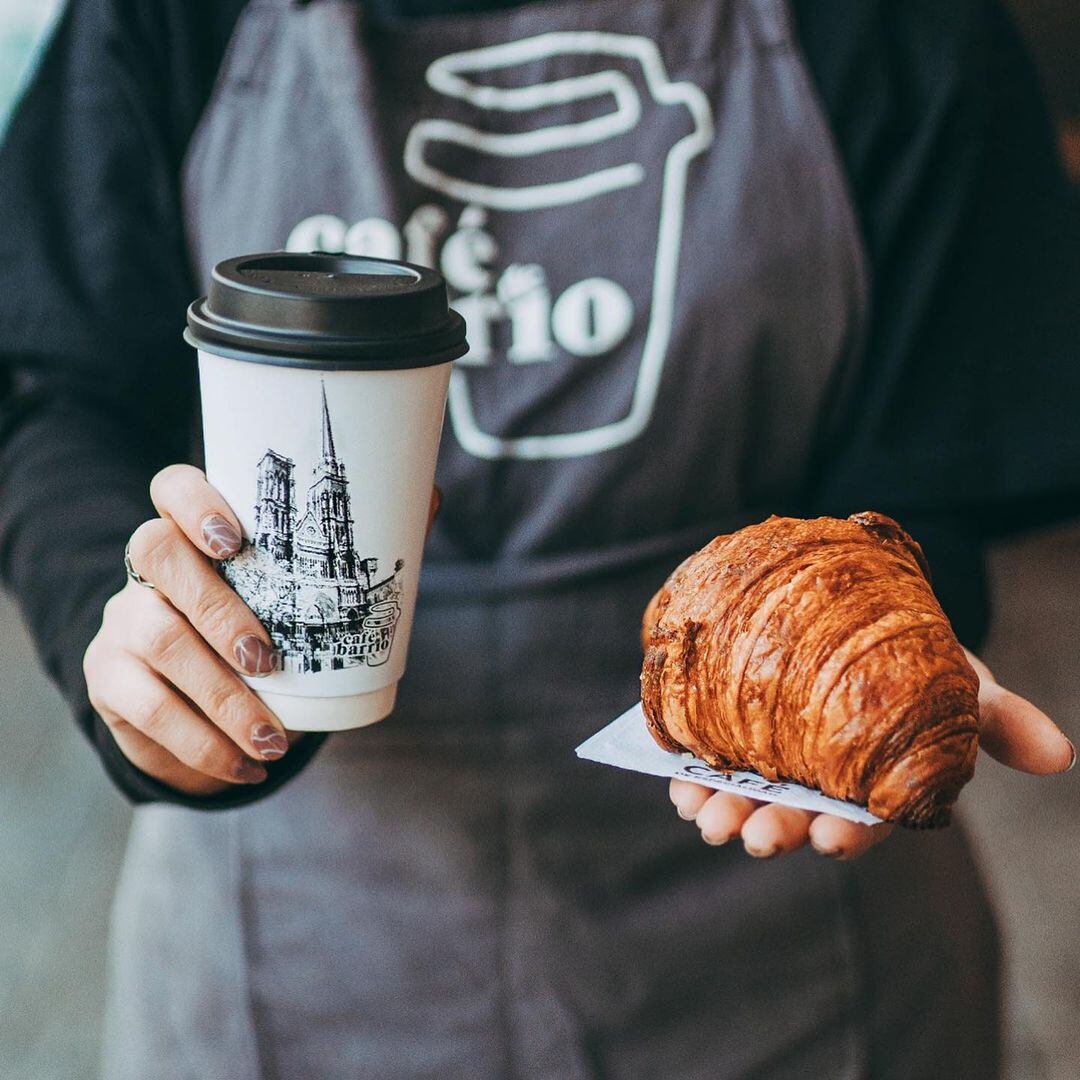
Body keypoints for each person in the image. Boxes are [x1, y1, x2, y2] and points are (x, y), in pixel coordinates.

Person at [1, 0, 1078, 1076]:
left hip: (798, 948)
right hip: (297, 947)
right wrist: (147, 638)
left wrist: (879, 641)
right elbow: (51, 386)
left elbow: (941, 439)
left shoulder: (892, 26)